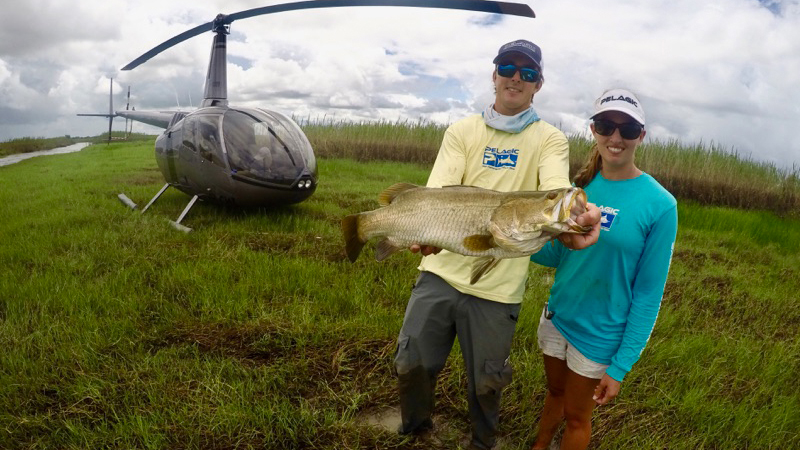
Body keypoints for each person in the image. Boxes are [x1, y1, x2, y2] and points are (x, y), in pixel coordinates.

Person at [394, 39, 601, 450]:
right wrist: (429, 234)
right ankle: (415, 429)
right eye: (508, 67)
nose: (515, 78)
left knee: (487, 382)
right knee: (411, 362)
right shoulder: (462, 131)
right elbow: (439, 194)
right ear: (494, 75)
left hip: (498, 290)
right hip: (440, 272)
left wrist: (575, 217)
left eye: (527, 73)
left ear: (537, 85)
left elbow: (557, 190)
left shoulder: (549, 139)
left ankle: (482, 443)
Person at [528, 88, 678, 450]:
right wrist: (514, 240)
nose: (616, 137)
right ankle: (540, 444)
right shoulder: (579, 189)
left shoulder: (660, 205)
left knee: (578, 416)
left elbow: (647, 294)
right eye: (606, 125)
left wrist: (620, 366)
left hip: (599, 336)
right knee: (554, 392)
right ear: (593, 129)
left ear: (641, 136)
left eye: (627, 129)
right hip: (558, 317)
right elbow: (556, 255)